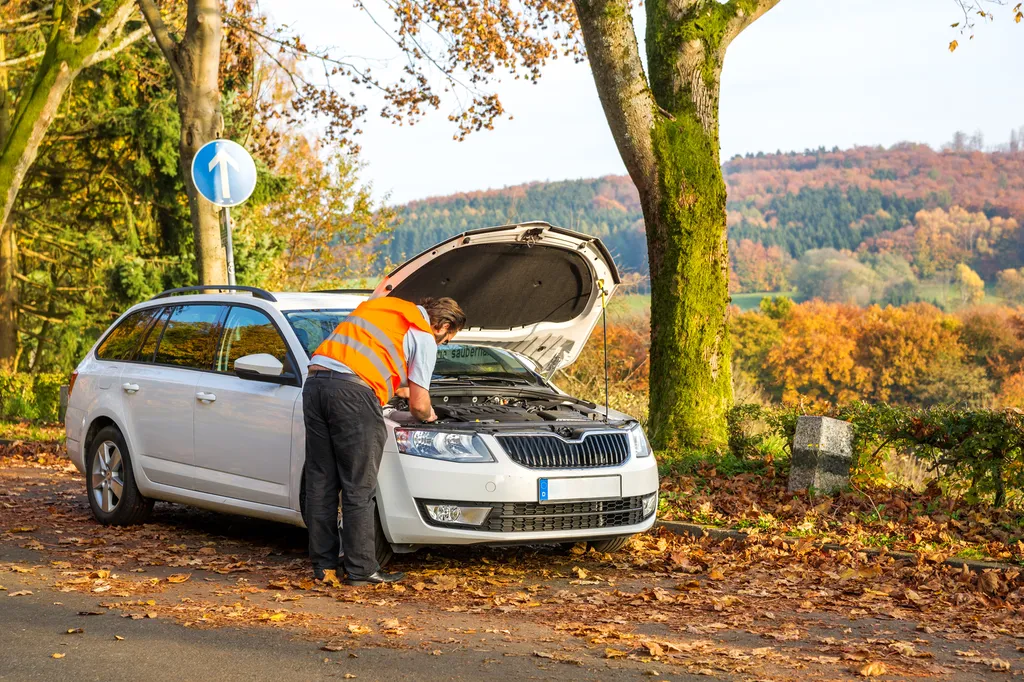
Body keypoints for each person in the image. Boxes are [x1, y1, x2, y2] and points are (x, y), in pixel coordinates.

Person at [302, 296, 466, 586]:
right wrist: (430, 417)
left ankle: (324, 567)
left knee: (321, 482)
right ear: (441, 325)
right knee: (358, 485)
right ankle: (361, 570)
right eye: (447, 339)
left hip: (315, 385)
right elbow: (419, 406)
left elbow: (364, 357)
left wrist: (394, 388)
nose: (441, 344)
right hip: (352, 395)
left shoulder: (383, 308)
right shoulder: (423, 333)